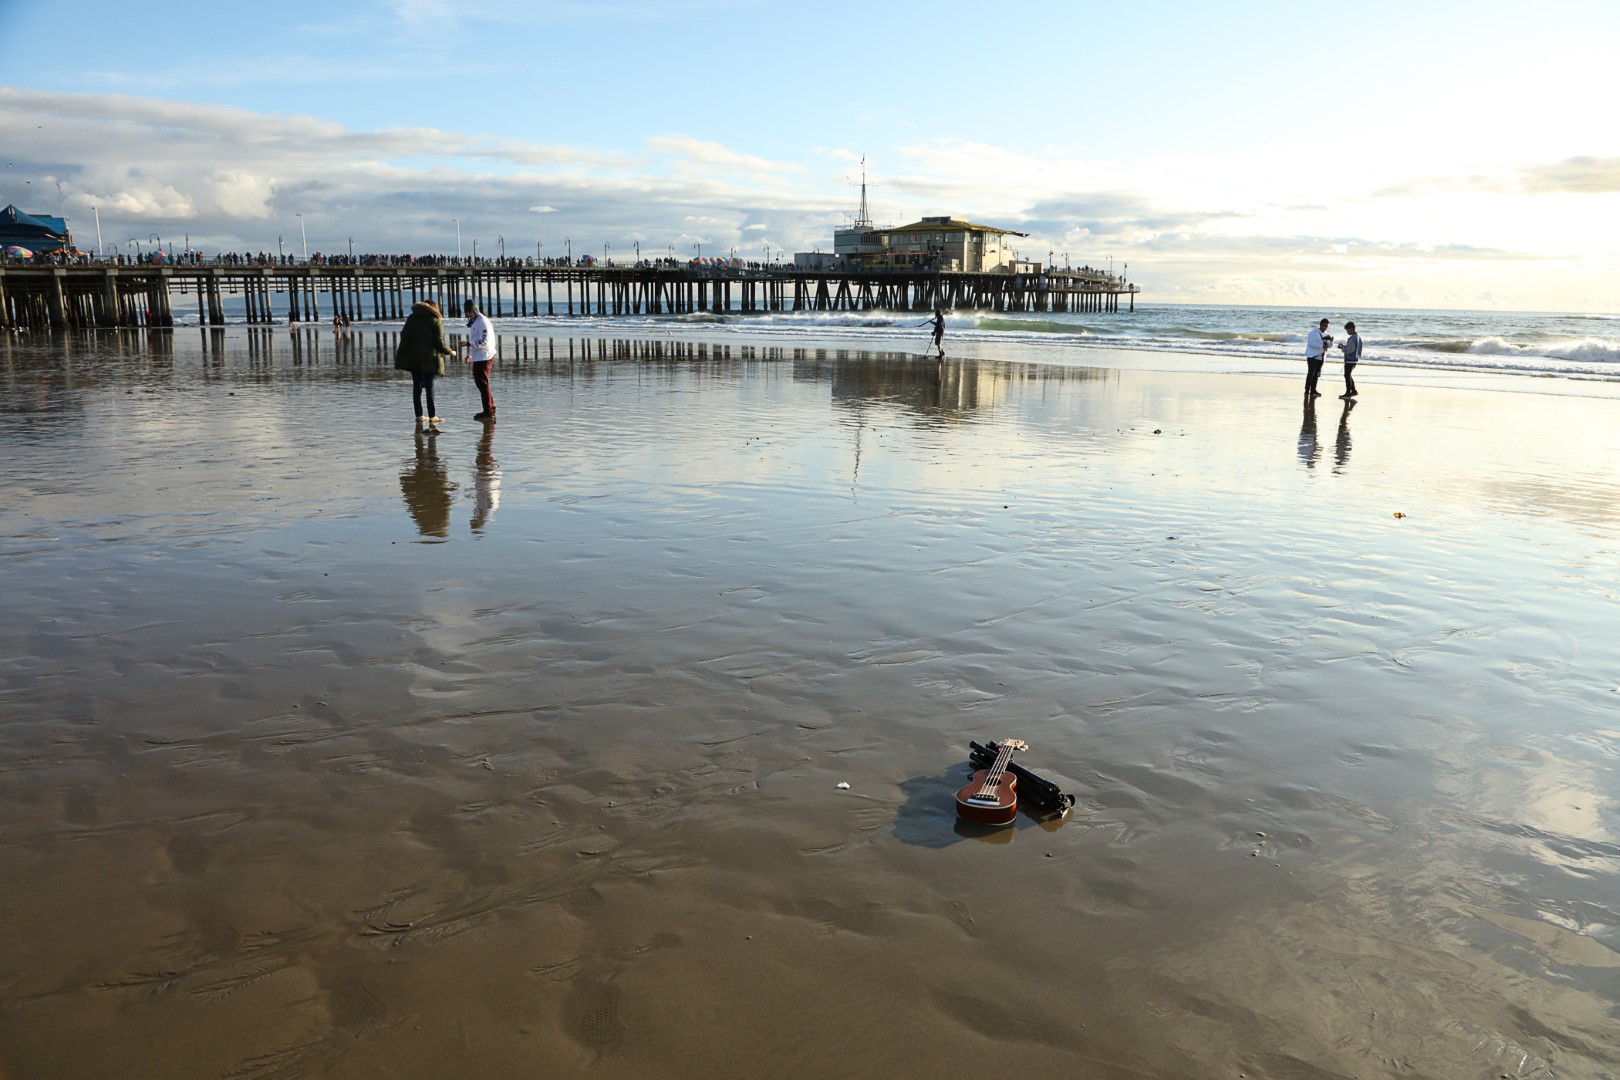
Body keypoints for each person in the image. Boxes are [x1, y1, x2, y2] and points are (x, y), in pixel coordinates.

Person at [394, 300, 454, 425]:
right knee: (429, 386)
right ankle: (432, 416)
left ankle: (419, 415)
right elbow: (439, 342)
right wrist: (450, 351)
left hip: (414, 357)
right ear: (434, 308)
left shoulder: (412, 318)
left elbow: (405, 335)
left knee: (417, 386)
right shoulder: (435, 320)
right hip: (429, 358)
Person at [463, 298, 498, 421]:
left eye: (470, 312)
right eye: (467, 312)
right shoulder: (475, 322)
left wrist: (468, 344)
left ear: (475, 310)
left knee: (483, 384)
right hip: (478, 357)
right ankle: (487, 410)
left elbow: (484, 342)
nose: (468, 314)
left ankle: (490, 412)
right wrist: (470, 355)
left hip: (485, 356)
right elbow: (475, 339)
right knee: (480, 384)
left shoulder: (482, 322)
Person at [1304, 317, 1331, 398]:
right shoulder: (1313, 333)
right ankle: (1307, 390)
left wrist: (1331, 341)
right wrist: (1322, 346)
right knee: (1311, 373)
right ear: (1320, 325)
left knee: (1317, 374)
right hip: (1312, 356)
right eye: (1324, 326)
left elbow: (1329, 345)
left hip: (1321, 356)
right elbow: (1312, 344)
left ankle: (1313, 390)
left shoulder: (1326, 334)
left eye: (1326, 326)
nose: (1325, 327)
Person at [1338, 321, 1362, 399]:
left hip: (1350, 360)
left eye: (1347, 330)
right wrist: (1345, 347)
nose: (1347, 332)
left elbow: (1349, 350)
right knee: (1348, 375)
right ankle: (1353, 390)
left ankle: (1348, 392)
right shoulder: (1358, 337)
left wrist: (1342, 347)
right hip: (1355, 359)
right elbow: (1354, 348)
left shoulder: (1352, 338)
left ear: (1351, 329)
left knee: (1347, 376)